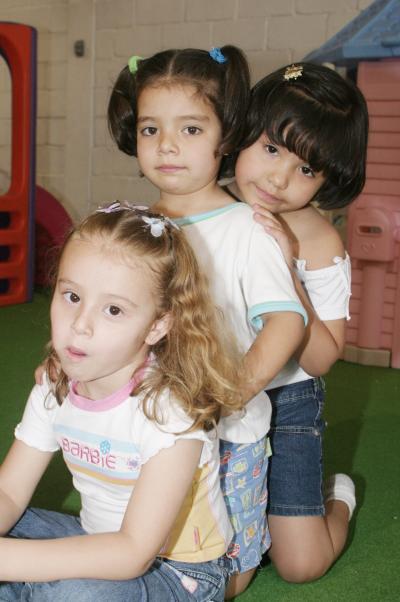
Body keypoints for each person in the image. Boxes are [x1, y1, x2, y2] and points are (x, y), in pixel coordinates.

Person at [108, 46, 307, 598]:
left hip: (229, 432)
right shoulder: (130, 225)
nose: (167, 145)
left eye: (191, 128)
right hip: (145, 428)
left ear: (226, 137)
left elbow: (286, 324)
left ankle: (327, 497)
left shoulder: (247, 228)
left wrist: (229, 393)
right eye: (151, 129)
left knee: (231, 578)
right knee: (145, 544)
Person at [0, 201, 246, 602]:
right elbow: (9, 493)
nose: (81, 324)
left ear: (157, 325)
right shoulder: (53, 387)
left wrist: (8, 562)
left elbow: (133, 552)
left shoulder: (170, 410)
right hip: (97, 540)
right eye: (71, 296)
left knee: (79, 595)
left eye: (113, 309)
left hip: (178, 572)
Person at [231, 61, 369, 583]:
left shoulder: (319, 241)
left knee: (300, 565)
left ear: (329, 179)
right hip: (218, 394)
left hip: (289, 398)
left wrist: (289, 265)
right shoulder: (214, 207)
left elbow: (321, 356)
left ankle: (335, 498)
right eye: (271, 148)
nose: (278, 179)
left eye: (307, 170)